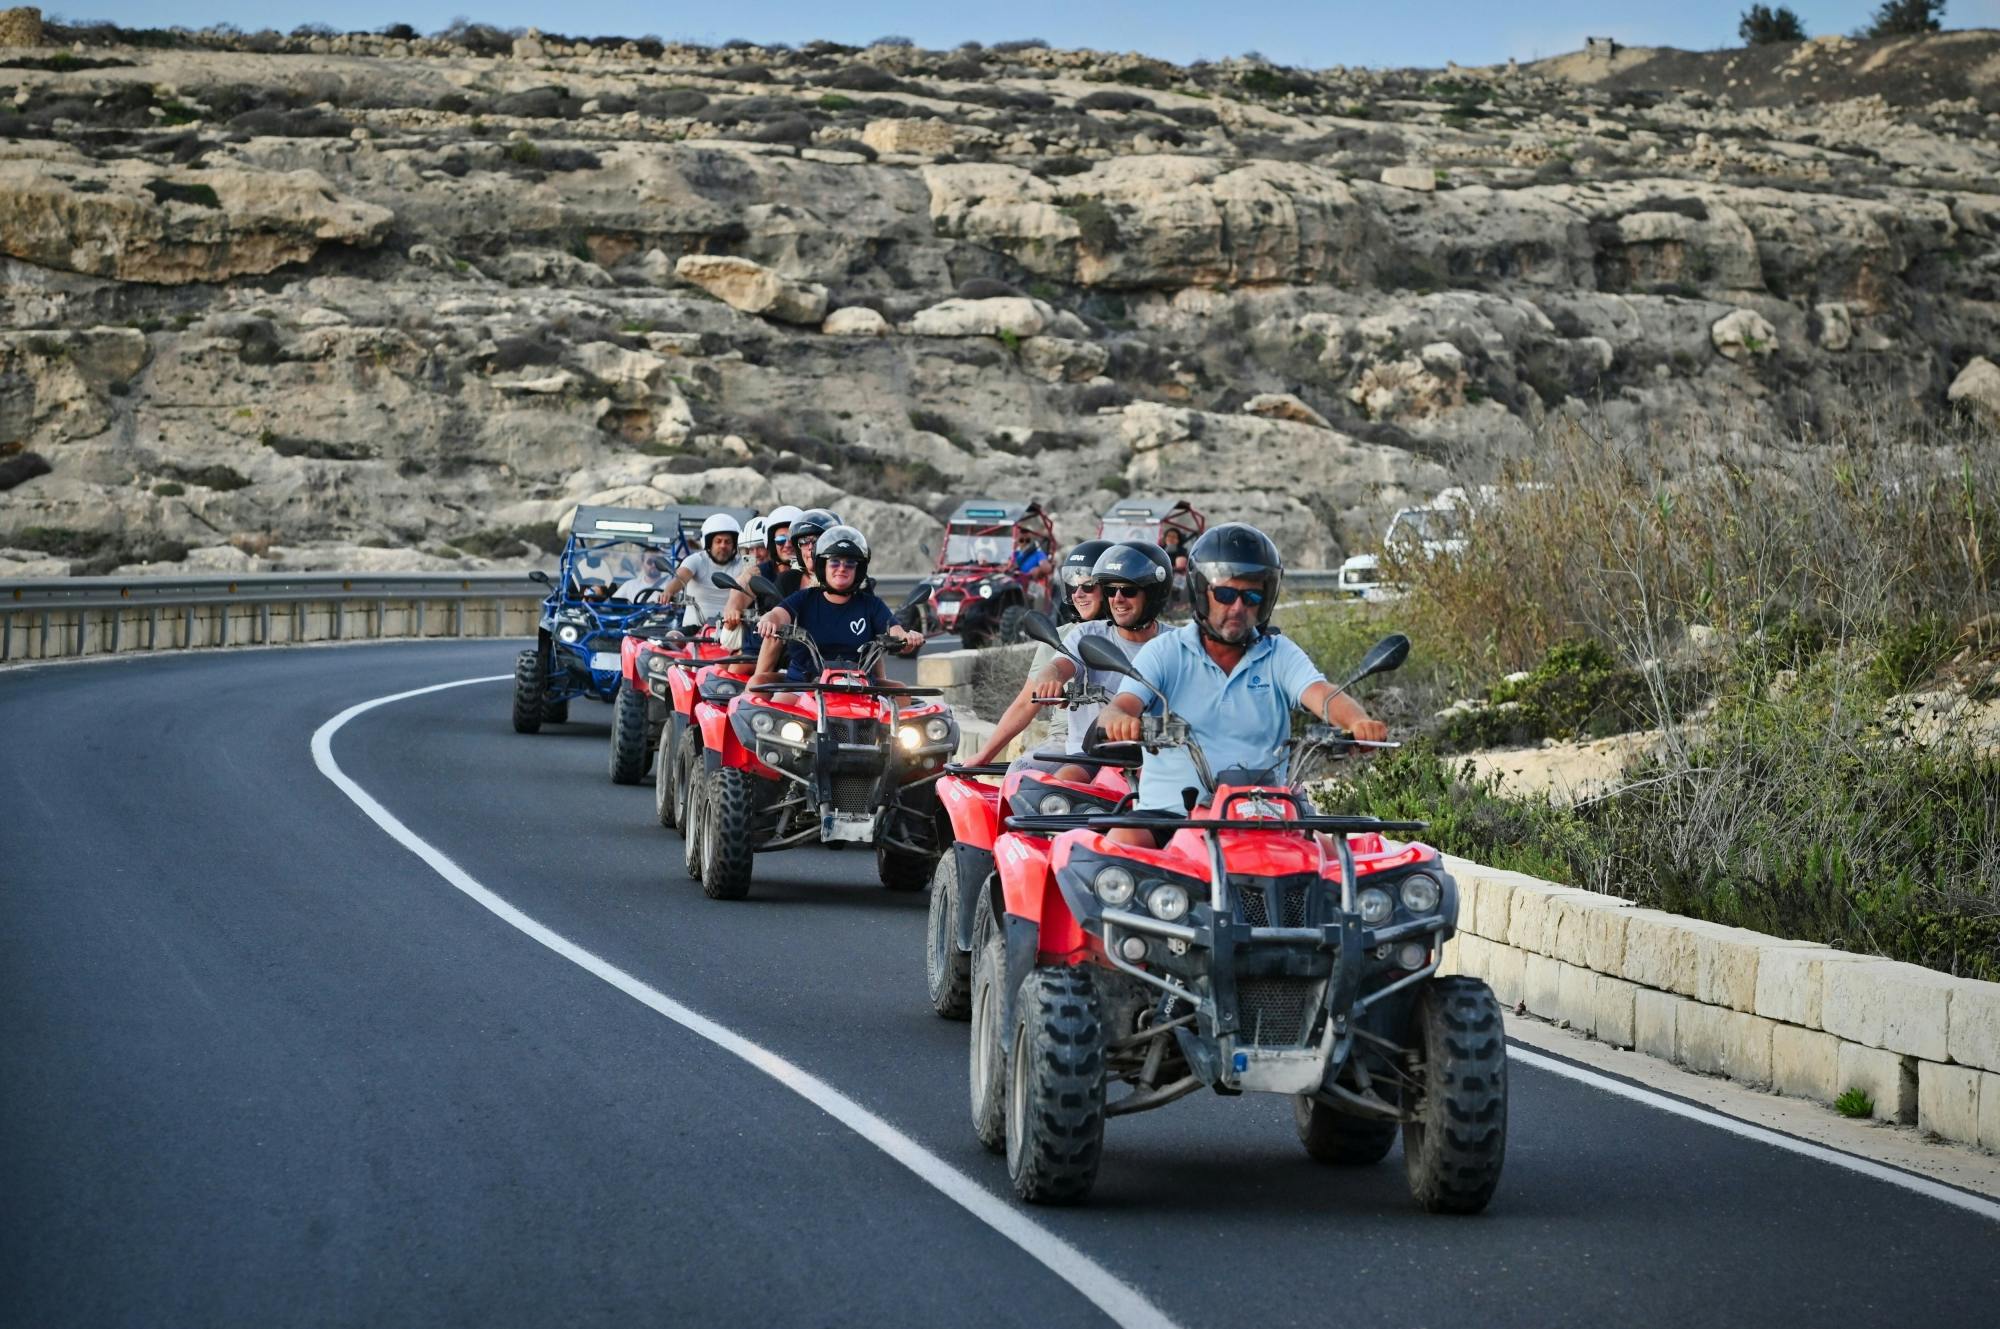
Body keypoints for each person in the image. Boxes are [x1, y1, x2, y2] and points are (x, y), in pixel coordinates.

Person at [1096, 523, 1387, 844]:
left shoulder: (1279, 653)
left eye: (1251, 595)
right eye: (1225, 594)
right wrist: (1121, 722)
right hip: (1169, 816)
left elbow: (1322, 694)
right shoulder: (1165, 652)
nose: (1238, 607)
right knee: (1111, 855)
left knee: (1345, 870)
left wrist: (1358, 721)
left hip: (1265, 814)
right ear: (1202, 592)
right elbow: (1121, 706)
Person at [966, 541, 1169, 768]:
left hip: (1149, 745)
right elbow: (1030, 698)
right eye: (1073, 586)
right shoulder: (1071, 636)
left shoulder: (1171, 642)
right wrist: (984, 755)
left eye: (1089, 586)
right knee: (1028, 775)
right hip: (1077, 745)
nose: (1079, 594)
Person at [751, 524, 924, 688]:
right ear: (822, 566)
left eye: (850, 563)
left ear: (859, 570)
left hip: (858, 688)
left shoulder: (872, 605)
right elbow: (778, 614)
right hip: (804, 686)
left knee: (902, 697)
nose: (842, 568)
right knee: (777, 708)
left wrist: (906, 639)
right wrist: (769, 620)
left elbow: (895, 630)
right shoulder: (804, 598)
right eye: (834, 562)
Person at [656, 513, 751, 628]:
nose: (723, 545)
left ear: (734, 545)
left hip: (728, 632)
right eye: (718, 541)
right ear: (709, 543)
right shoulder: (696, 560)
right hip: (693, 631)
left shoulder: (741, 564)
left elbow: (751, 578)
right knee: (673, 638)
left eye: (728, 542)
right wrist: (668, 592)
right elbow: (680, 577)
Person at [777, 507, 842, 598]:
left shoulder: (847, 578)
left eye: (817, 540)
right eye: (804, 541)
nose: (810, 547)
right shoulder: (787, 580)